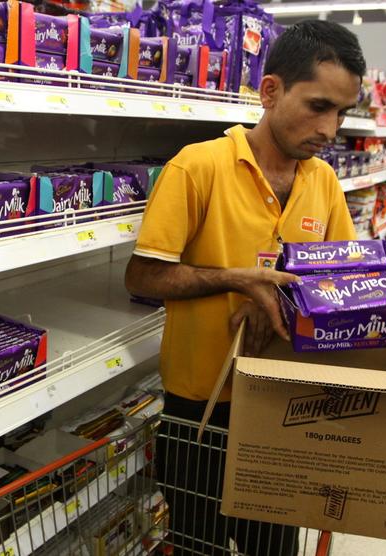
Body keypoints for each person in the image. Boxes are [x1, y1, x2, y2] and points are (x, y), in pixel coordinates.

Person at [124, 20, 366, 555]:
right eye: (319, 106)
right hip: (198, 412)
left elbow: (341, 279)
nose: (330, 129)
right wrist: (240, 280)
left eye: (343, 113)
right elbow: (142, 276)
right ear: (271, 91)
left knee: (275, 547)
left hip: (282, 405)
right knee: (197, 544)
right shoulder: (197, 166)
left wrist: (281, 297)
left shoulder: (324, 181)